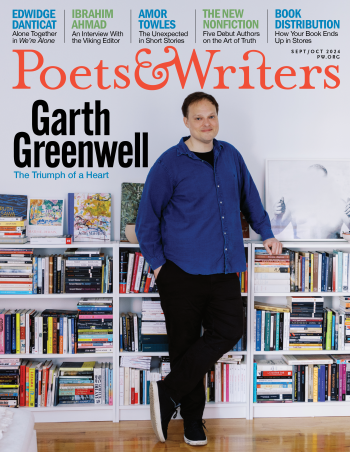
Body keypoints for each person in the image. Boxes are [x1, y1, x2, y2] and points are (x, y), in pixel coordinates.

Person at [135, 92, 282, 446]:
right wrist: (158, 267)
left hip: (224, 267)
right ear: (185, 121)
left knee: (230, 328)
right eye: (198, 118)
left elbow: (250, 198)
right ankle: (192, 423)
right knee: (184, 347)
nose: (206, 123)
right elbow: (146, 221)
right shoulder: (169, 163)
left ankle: (167, 392)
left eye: (211, 116)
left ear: (218, 118)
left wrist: (267, 233)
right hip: (180, 272)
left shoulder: (230, 155)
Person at [271, 164, 350, 239]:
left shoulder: (339, 204)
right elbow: (274, 231)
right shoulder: (293, 204)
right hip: (302, 251)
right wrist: (277, 216)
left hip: (331, 251)